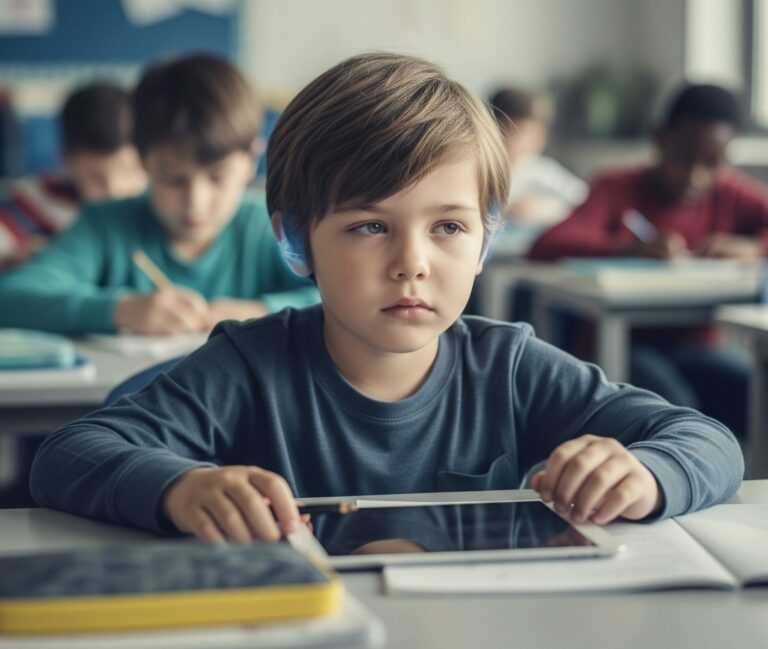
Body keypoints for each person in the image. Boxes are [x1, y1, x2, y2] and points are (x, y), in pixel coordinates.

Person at [30, 53, 742, 544]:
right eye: (369, 225)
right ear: (296, 242)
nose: (412, 264)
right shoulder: (247, 367)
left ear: (486, 240)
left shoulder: (511, 367)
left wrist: (647, 472)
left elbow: (708, 441)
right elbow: (69, 454)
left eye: (449, 227)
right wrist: (179, 487)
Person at [0, 53, 318, 335]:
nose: (196, 201)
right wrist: (122, 310)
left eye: (217, 178)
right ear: (142, 160)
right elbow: (11, 298)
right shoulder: (105, 225)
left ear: (251, 158)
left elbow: (334, 297)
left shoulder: (267, 227)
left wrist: (261, 311)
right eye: (174, 179)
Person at [527, 83, 768, 437]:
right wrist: (625, 247)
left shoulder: (730, 193)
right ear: (660, 140)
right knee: (676, 408)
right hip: (621, 343)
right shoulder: (617, 187)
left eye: (712, 163)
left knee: (754, 391)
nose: (695, 176)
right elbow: (548, 244)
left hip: (697, 346)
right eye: (684, 158)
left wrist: (752, 247)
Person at [0, 82, 147, 269]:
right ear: (66, 161)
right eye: (95, 176)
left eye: (130, 170)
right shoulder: (36, 200)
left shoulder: (161, 201)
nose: (114, 190)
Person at [489, 87, 587, 225]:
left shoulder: (538, 170)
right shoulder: (481, 172)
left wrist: (540, 210)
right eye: (521, 132)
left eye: (539, 133)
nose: (535, 141)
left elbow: (584, 200)